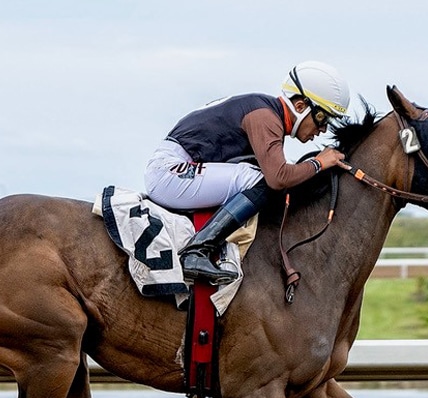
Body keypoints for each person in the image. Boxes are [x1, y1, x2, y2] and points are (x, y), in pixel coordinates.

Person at [145, 61, 351, 285]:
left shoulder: (265, 110)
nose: (322, 130)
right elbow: (278, 177)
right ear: (300, 106)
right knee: (259, 179)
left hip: (177, 169)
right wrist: (319, 163)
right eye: (323, 119)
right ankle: (196, 252)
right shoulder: (266, 117)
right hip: (169, 171)